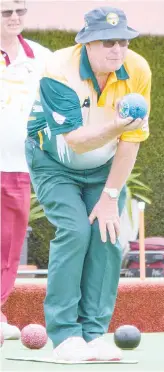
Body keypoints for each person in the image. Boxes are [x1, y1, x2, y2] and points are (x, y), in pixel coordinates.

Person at [25, 6, 151, 361]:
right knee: (76, 230)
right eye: (108, 42)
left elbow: (132, 140)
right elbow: (76, 140)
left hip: (104, 165)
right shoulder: (59, 71)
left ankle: (93, 333)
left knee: (108, 234)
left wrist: (111, 195)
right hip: (54, 161)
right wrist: (117, 125)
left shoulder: (138, 69)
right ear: (87, 43)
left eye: (124, 41)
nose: (118, 50)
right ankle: (65, 336)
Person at [0, 0, 51, 339]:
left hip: (18, 165)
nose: (15, 17)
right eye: (6, 12)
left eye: (20, 10)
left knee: (8, 244)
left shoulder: (43, 58)